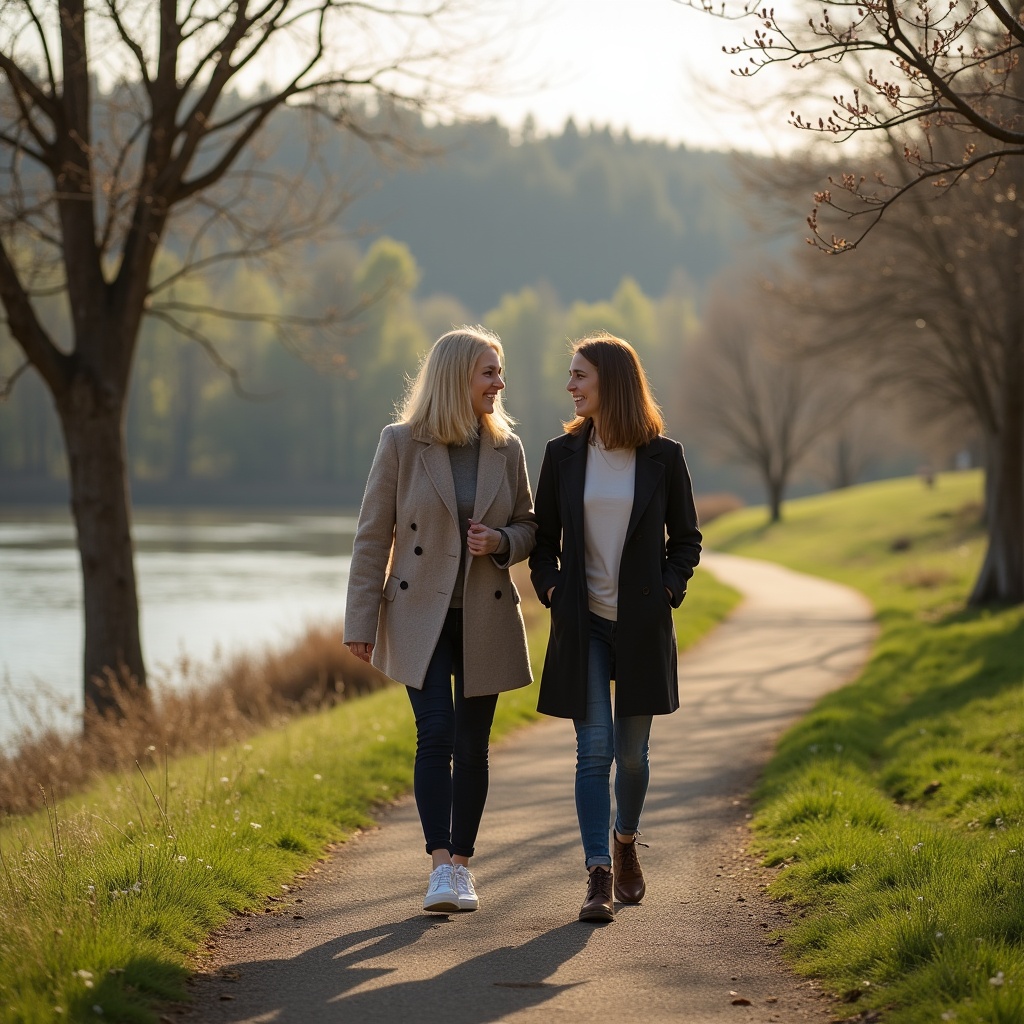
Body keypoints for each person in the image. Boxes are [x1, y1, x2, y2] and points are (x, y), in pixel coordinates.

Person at [345, 326, 536, 914]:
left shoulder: (507, 448)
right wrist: (360, 619)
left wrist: (500, 540)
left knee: (474, 744)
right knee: (437, 733)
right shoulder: (401, 443)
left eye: (499, 372)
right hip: (416, 616)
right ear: (457, 377)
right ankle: (438, 868)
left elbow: (532, 525)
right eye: (489, 372)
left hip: (485, 615)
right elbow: (373, 534)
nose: (499, 383)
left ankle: (462, 867)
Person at [529, 332, 702, 923]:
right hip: (585, 625)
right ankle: (598, 872)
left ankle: (626, 842)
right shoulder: (561, 455)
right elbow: (543, 543)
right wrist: (551, 588)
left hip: (640, 627)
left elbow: (687, 541)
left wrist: (669, 590)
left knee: (632, 756)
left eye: (579, 375)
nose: (570, 386)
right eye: (571, 375)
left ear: (612, 382)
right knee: (593, 750)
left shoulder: (664, 456)